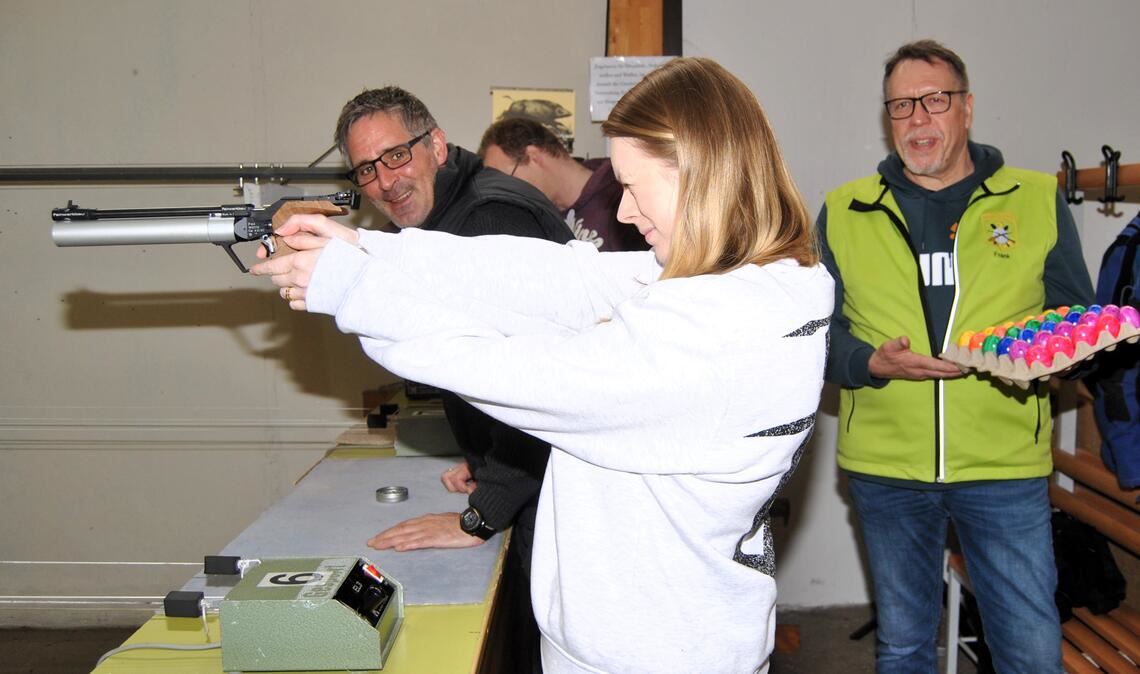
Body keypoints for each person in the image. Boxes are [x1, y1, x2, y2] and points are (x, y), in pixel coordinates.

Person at [252, 56, 833, 674]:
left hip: (651, 655)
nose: (628, 214)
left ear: (704, 174)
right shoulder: (745, 282)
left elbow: (524, 375)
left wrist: (355, 292)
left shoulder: (721, 329)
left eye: (635, 187)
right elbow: (562, 278)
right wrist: (367, 248)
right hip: (654, 637)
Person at [817, 40, 1093, 672]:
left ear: (967, 109)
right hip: (885, 467)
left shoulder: (1033, 197)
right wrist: (872, 363)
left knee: (1027, 648)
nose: (918, 118)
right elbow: (817, 337)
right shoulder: (845, 209)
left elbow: (1073, 322)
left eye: (935, 100)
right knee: (905, 645)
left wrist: (1047, 361)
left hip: (1002, 464)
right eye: (901, 106)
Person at [331, 86, 572, 573]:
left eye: (396, 155)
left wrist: (483, 513)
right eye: (367, 169)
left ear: (436, 147)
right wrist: (487, 459)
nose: (385, 181)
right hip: (541, 477)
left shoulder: (489, 219)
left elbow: (539, 384)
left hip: (563, 498)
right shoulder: (446, 216)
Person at [477, 117, 649, 252]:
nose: (506, 192)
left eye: (507, 180)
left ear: (534, 156)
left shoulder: (622, 194)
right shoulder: (539, 218)